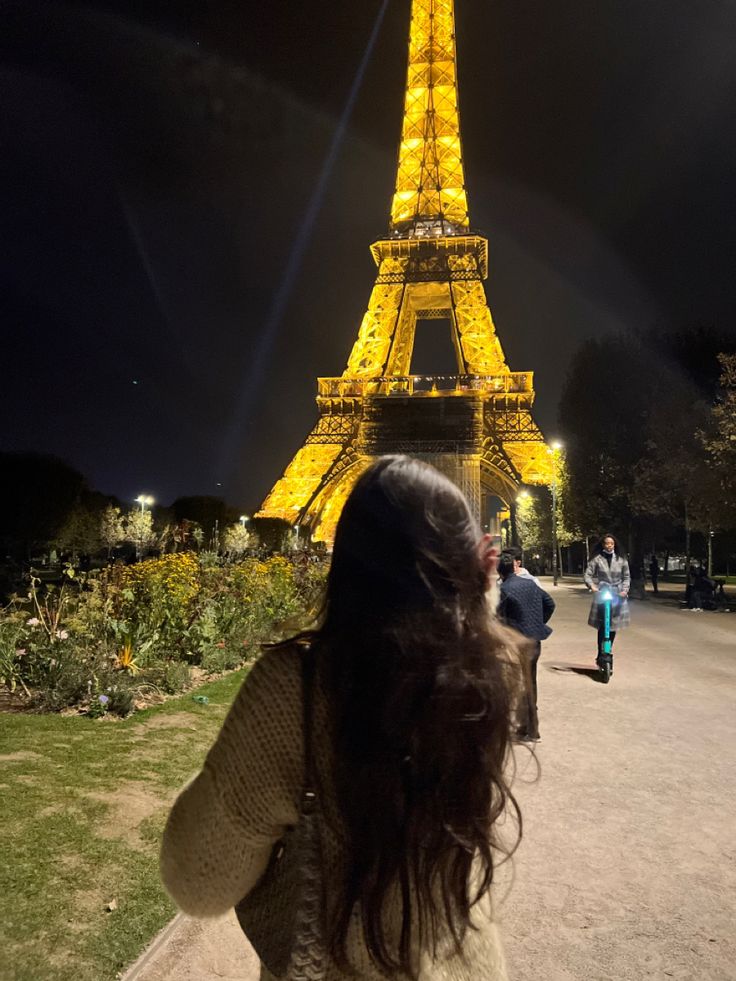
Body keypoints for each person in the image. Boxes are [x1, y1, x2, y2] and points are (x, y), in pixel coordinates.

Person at [160, 456, 522, 980]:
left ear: (348, 558)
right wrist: (477, 596)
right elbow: (449, 640)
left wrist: (226, 773)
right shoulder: (485, 677)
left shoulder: (295, 690)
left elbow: (199, 880)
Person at [497, 553, 555, 742]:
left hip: (516, 642)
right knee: (531, 682)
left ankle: (521, 726)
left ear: (499, 571)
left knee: (515, 683)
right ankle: (532, 728)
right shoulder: (531, 584)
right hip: (535, 640)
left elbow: (499, 618)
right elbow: (550, 603)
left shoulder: (503, 590)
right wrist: (538, 622)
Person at [584, 533, 630, 672]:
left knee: (613, 626)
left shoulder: (622, 560)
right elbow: (588, 575)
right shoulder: (597, 559)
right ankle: (601, 653)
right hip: (603, 592)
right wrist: (593, 587)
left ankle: (608, 650)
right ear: (603, 545)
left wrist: (624, 590)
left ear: (614, 545)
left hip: (617, 593)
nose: (609, 546)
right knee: (603, 625)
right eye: (606, 543)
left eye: (611, 543)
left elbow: (627, 577)